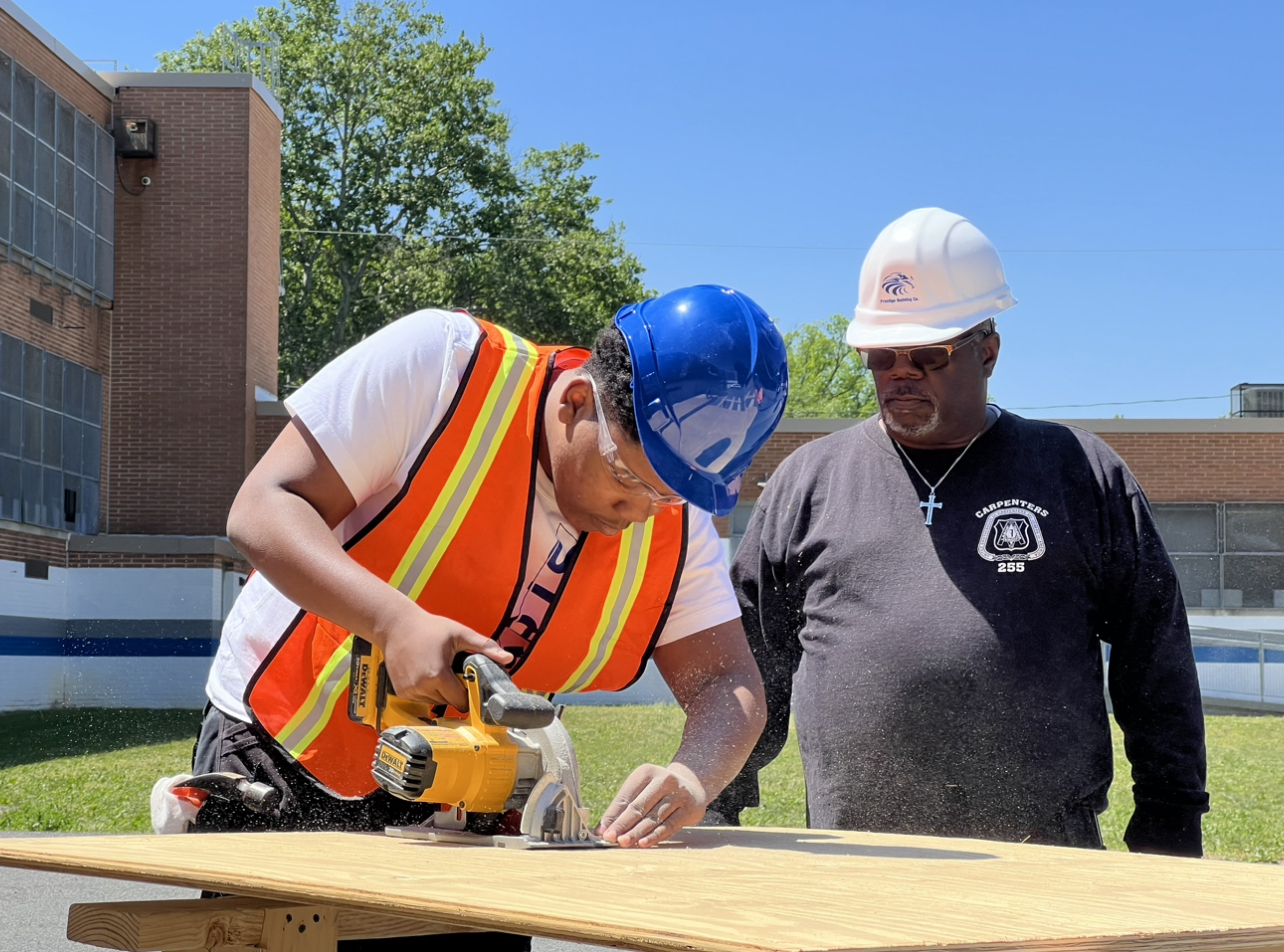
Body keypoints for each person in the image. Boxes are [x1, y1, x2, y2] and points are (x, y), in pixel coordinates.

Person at [188, 285, 786, 950]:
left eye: (668, 492)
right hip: (287, 757)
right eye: (630, 477)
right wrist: (392, 622)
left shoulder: (677, 525)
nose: (642, 509)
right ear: (576, 402)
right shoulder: (441, 367)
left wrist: (692, 776)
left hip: (470, 803)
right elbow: (263, 506)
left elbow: (726, 685)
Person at [709, 208, 1208, 856]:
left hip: (1041, 875)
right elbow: (753, 665)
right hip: (852, 871)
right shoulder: (811, 481)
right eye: (881, 354)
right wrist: (714, 801)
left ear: (989, 350)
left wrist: (1170, 829)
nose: (900, 370)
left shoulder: (1078, 474)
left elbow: (1156, 665)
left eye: (928, 353)